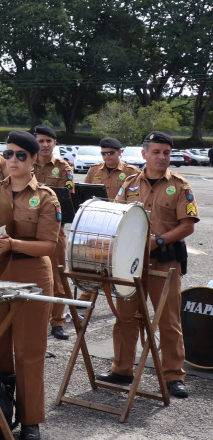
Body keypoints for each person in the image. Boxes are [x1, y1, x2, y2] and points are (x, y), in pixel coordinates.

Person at [96, 131, 198, 399]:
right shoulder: (129, 183)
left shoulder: (180, 185)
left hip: (165, 262)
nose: (162, 157)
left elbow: (187, 226)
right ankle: (122, 369)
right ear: (144, 154)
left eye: (166, 152)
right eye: (156, 152)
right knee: (126, 317)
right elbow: (117, 215)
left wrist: (159, 240)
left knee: (168, 320)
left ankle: (174, 375)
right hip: (131, 262)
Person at [0, 130, 62, 440]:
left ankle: (30, 419)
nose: (12, 160)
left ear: (33, 159)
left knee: (29, 350)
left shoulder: (46, 196)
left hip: (31, 275)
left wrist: (13, 243)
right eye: (8, 154)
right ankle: (0, 412)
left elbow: (48, 246)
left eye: (20, 155)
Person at [31, 125, 73, 340]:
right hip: (28, 229)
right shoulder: (27, 162)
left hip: (54, 230)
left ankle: (57, 321)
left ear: (55, 143)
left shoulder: (64, 167)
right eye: (41, 141)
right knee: (31, 275)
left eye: (49, 141)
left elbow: (66, 198)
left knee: (58, 276)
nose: (45, 145)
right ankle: (34, 319)